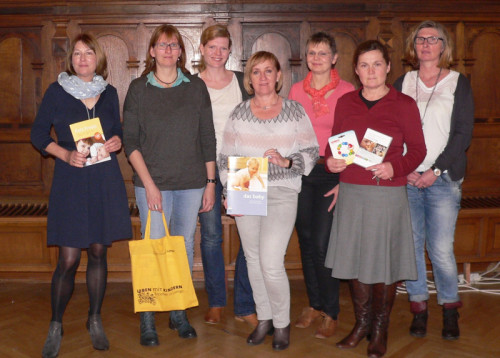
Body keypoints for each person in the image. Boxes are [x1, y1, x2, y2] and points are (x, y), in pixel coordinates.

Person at [30, 33, 132, 358]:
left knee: (99, 252)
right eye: (77, 53)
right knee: (69, 258)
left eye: (89, 53)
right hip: (71, 181)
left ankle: (94, 318)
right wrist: (63, 154)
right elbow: (37, 133)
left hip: (103, 180)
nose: (83, 58)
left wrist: (117, 140)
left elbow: (117, 129)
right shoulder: (57, 91)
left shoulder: (109, 92)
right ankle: (56, 324)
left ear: (97, 58)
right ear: (70, 60)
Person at [324, 40, 426, 358]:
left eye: (377, 64)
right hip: (352, 191)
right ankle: (362, 325)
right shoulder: (345, 102)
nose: (371, 71)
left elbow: (419, 151)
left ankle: (380, 330)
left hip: (387, 194)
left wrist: (393, 166)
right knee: (355, 263)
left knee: (383, 264)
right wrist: (330, 161)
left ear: (388, 67)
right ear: (355, 70)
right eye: (364, 65)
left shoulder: (404, 104)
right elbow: (332, 147)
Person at [219, 51, 319, 351]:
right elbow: (225, 158)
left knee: (271, 261)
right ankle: (263, 318)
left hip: (282, 191)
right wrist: (228, 191)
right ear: (249, 78)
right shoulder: (238, 113)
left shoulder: (294, 110)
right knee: (251, 258)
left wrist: (287, 162)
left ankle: (281, 322)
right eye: (256, 72)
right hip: (246, 186)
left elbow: (312, 151)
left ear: (278, 76)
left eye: (268, 71)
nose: (262, 78)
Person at [122, 24, 216, 346]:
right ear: (152, 51)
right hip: (153, 184)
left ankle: (178, 312)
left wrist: (210, 182)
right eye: (162, 45)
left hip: (191, 183)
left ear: (181, 51)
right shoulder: (138, 89)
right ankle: (148, 317)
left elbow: (207, 137)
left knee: (183, 247)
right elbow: (130, 142)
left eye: (174, 45)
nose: (168, 50)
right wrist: (148, 185)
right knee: (154, 248)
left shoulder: (196, 88)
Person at [394, 20, 474, 341]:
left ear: (444, 46)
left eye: (432, 39)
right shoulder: (402, 81)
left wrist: (435, 170)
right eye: (420, 39)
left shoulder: (458, 82)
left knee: (440, 249)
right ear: (413, 47)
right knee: (411, 247)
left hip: (443, 178)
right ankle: (418, 309)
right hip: (408, 177)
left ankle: (450, 310)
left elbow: (462, 134)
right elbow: (392, 130)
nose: (425, 44)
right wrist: (405, 168)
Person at [288, 31, 355, 339]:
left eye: (322, 53)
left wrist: (345, 179)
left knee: (322, 243)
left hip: (332, 172)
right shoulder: (295, 91)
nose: (316, 58)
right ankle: (314, 304)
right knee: (304, 239)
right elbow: (289, 134)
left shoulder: (347, 91)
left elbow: (351, 136)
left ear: (334, 58)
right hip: (302, 171)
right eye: (312, 53)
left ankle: (331, 311)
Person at [197, 24, 257, 327]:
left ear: (230, 50)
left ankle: (245, 305)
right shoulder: (192, 84)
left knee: (250, 238)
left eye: (223, 48)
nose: (218, 53)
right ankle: (217, 302)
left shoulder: (241, 82)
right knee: (210, 237)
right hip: (205, 167)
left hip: (245, 166)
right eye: (212, 47)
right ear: (202, 49)